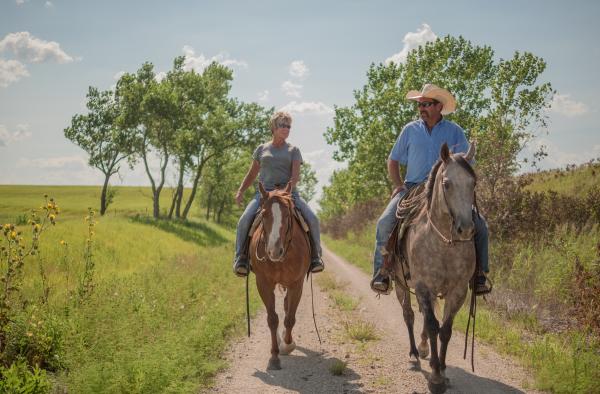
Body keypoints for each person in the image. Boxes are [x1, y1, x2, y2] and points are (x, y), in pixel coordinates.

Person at [370, 84, 491, 295]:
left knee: (480, 225)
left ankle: (479, 274)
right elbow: (393, 160)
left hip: (445, 190)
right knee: (384, 223)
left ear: (439, 106)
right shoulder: (409, 130)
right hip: (412, 188)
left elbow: (468, 163)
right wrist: (399, 186)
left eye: (425, 104)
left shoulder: (454, 131)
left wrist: (461, 183)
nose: (421, 108)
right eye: (419, 104)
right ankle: (383, 272)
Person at [233, 111, 324, 277]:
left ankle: (316, 257)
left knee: (313, 219)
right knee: (244, 220)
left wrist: (284, 191)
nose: (286, 129)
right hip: (265, 196)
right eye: (283, 125)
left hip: (289, 195)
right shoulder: (261, 149)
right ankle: (241, 259)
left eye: (289, 126)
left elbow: (295, 176)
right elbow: (252, 173)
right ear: (274, 127)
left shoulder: (293, 150)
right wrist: (241, 190)